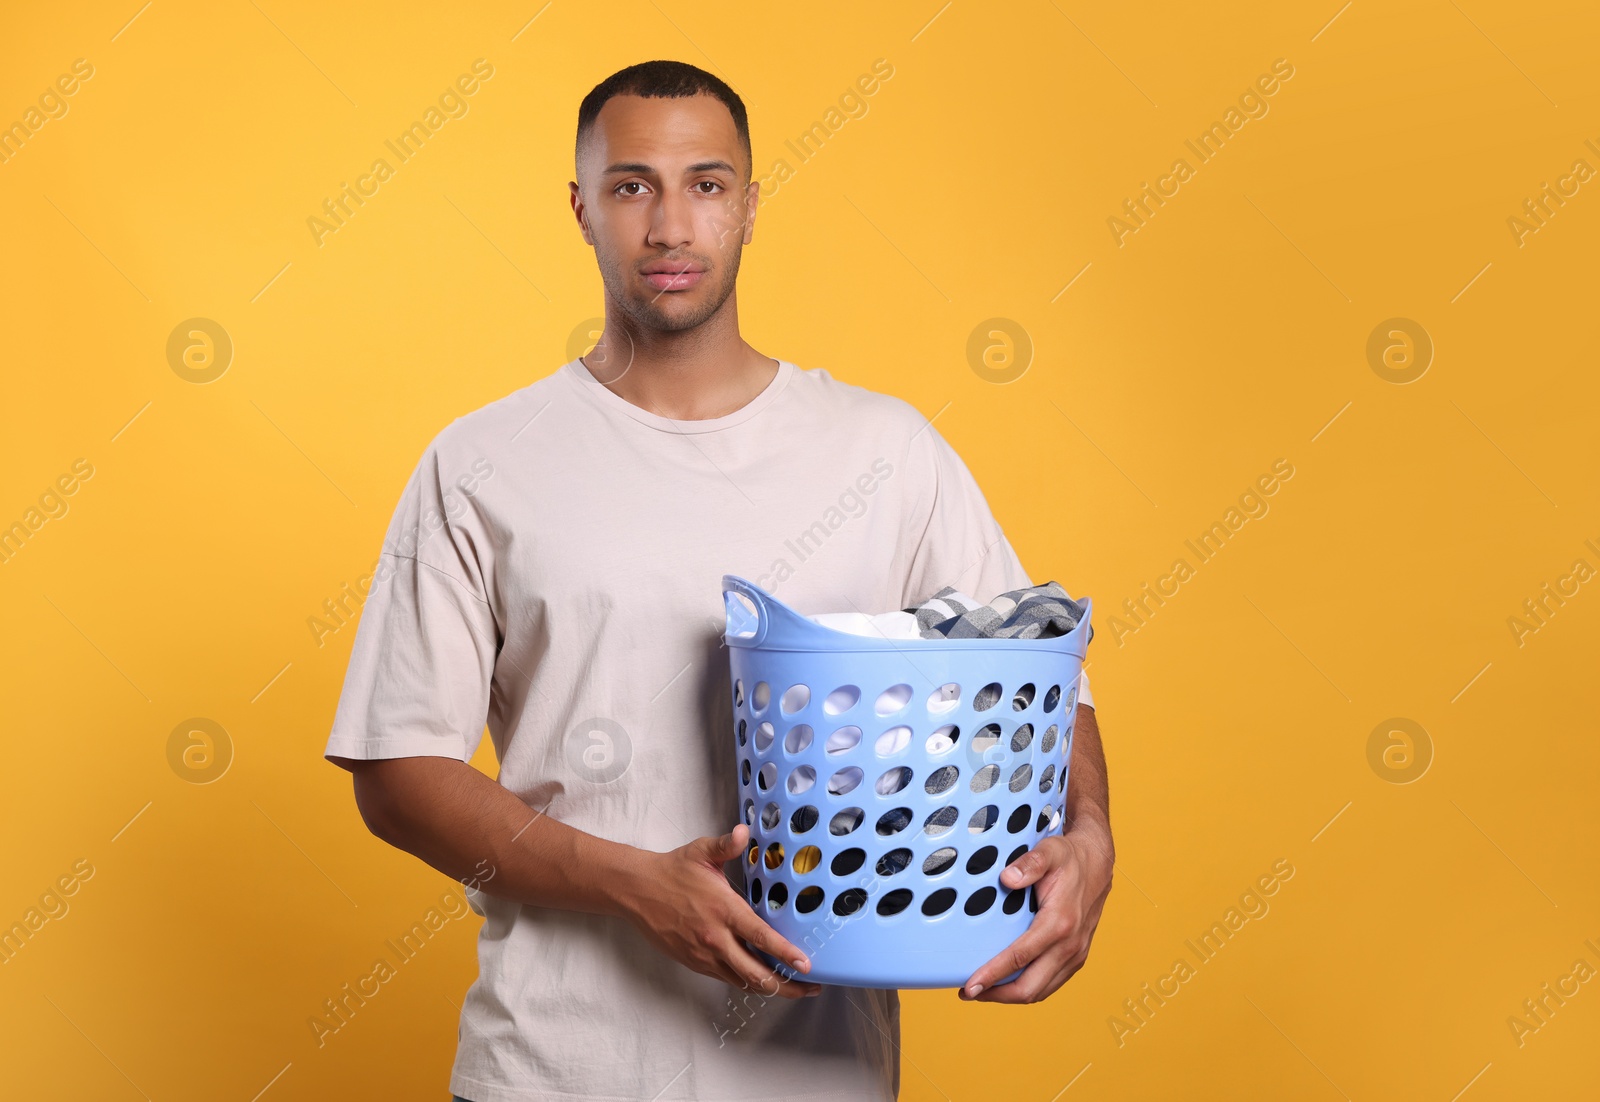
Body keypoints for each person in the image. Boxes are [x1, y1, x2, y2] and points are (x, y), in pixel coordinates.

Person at [323, 59, 1114, 1102]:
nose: (667, 227)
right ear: (581, 208)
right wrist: (633, 885)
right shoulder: (483, 462)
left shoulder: (884, 451)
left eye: (704, 185)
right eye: (630, 185)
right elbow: (398, 769)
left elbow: (1034, 678)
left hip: (817, 1078)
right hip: (551, 1073)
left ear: (748, 204)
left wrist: (1089, 836)